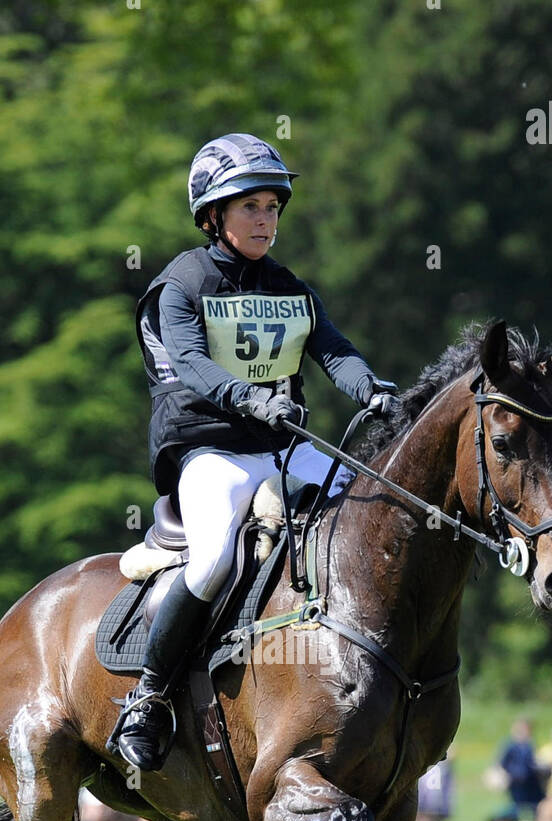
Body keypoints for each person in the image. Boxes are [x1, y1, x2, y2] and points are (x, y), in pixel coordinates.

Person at [111, 133, 399, 771]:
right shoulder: (179, 284)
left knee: (371, 509)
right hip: (212, 453)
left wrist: (370, 390)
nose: (266, 219)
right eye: (251, 207)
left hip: (284, 445)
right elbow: (188, 361)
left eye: (272, 206)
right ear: (213, 215)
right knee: (213, 559)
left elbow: (333, 350)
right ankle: (149, 696)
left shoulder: (289, 285)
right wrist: (249, 398)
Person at [497, 719, 544, 816]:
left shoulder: (530, 745)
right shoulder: (511, 745)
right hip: (516, 781)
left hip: (530, 780)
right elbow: (502, 762)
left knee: (534, 803)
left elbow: (533, 761)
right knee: (516, 804)